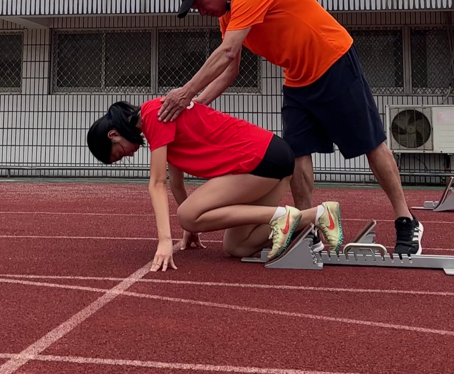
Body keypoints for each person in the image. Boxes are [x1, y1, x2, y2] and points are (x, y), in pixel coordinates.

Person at [158, 0, 423, 256]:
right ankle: (309, 229)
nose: (200, 12)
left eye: (199, 3)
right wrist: (196, 106)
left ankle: (406, 219)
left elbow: (228, 52)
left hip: (333, 62)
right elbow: (229, 70)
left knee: (370, 143)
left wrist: (185, 93)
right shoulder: (227, 16)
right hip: (297, 80)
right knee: (297, 152)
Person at [87, 98, 344, 271]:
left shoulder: (153, 115)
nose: (128, 156)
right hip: (272, 159)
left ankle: (282, 218)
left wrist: (165, 241)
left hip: (261, 158)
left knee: (186, 215)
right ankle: (317, 216)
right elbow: (176, 182)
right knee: (237, 246)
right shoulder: (157, 121)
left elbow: (157, 183)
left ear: (114, 134)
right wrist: (193, 230)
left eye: (119, 153)